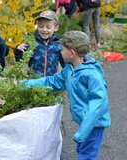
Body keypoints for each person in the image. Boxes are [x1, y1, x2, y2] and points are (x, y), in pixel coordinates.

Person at [20, 31, 111, 160]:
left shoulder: (92, 75)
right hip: (85, 121)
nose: (60, 52)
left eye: (62, 49)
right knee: (83, 150)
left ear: (72, 53)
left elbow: (98, 103)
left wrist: (83, 131)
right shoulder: (69, 70)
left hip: (94, 123)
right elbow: (50, 82)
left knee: (86, 155)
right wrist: (23, 84)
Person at [14, 10, 65, 77]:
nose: (44, 29)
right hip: (34, 81)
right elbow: (20, 61)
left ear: (56, 28)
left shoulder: (58, 44)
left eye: (48, 27)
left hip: (51, 82)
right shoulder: (32, 42)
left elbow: (65, 63)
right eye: (41, 26)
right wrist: (18, 50)